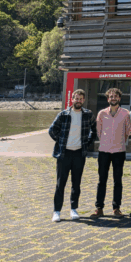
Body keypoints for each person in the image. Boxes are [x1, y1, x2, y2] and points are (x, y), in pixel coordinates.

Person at [48, 89, 96, 222]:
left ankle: (73, 209)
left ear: (83, 100)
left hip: (79, 154)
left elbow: (94, 129)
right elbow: (52, 130)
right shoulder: (63, 115)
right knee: (60, 183)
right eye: (76, 98)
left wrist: (88, 142)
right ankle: (57, 211)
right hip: (64, 154)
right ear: (72, 99)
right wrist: (61, 142)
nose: (78, 101)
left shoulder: (88, 114)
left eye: (81, 99)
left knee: (76, 183)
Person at [92, 88, 131, 218]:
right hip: (104, 150)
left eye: (115, 96)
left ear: (119, 98)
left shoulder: (126, 113)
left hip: (119, 151)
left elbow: (127, 132)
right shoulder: (101, 113)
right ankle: (99, 208)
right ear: (108, 99)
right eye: (110, 96)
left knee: (117, 181)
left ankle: (116, 208)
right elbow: (99, 131)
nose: (113, 98)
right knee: (101, 180)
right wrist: (106, 141)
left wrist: (119, 142)